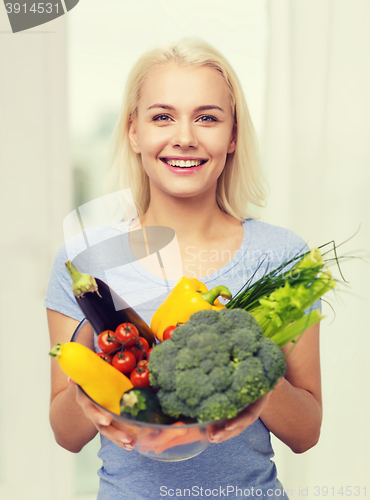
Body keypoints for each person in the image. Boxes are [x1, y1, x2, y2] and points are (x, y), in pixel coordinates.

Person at [45, 37, 322, 500]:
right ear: (133, 132)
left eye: (207, 118)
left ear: (232, 136)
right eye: (162, 116)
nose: (185, 137)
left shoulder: (282, 255)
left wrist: (253, 377)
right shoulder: (86, 263)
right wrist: (86, 397)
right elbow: (65, 435)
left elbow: (306, 432)